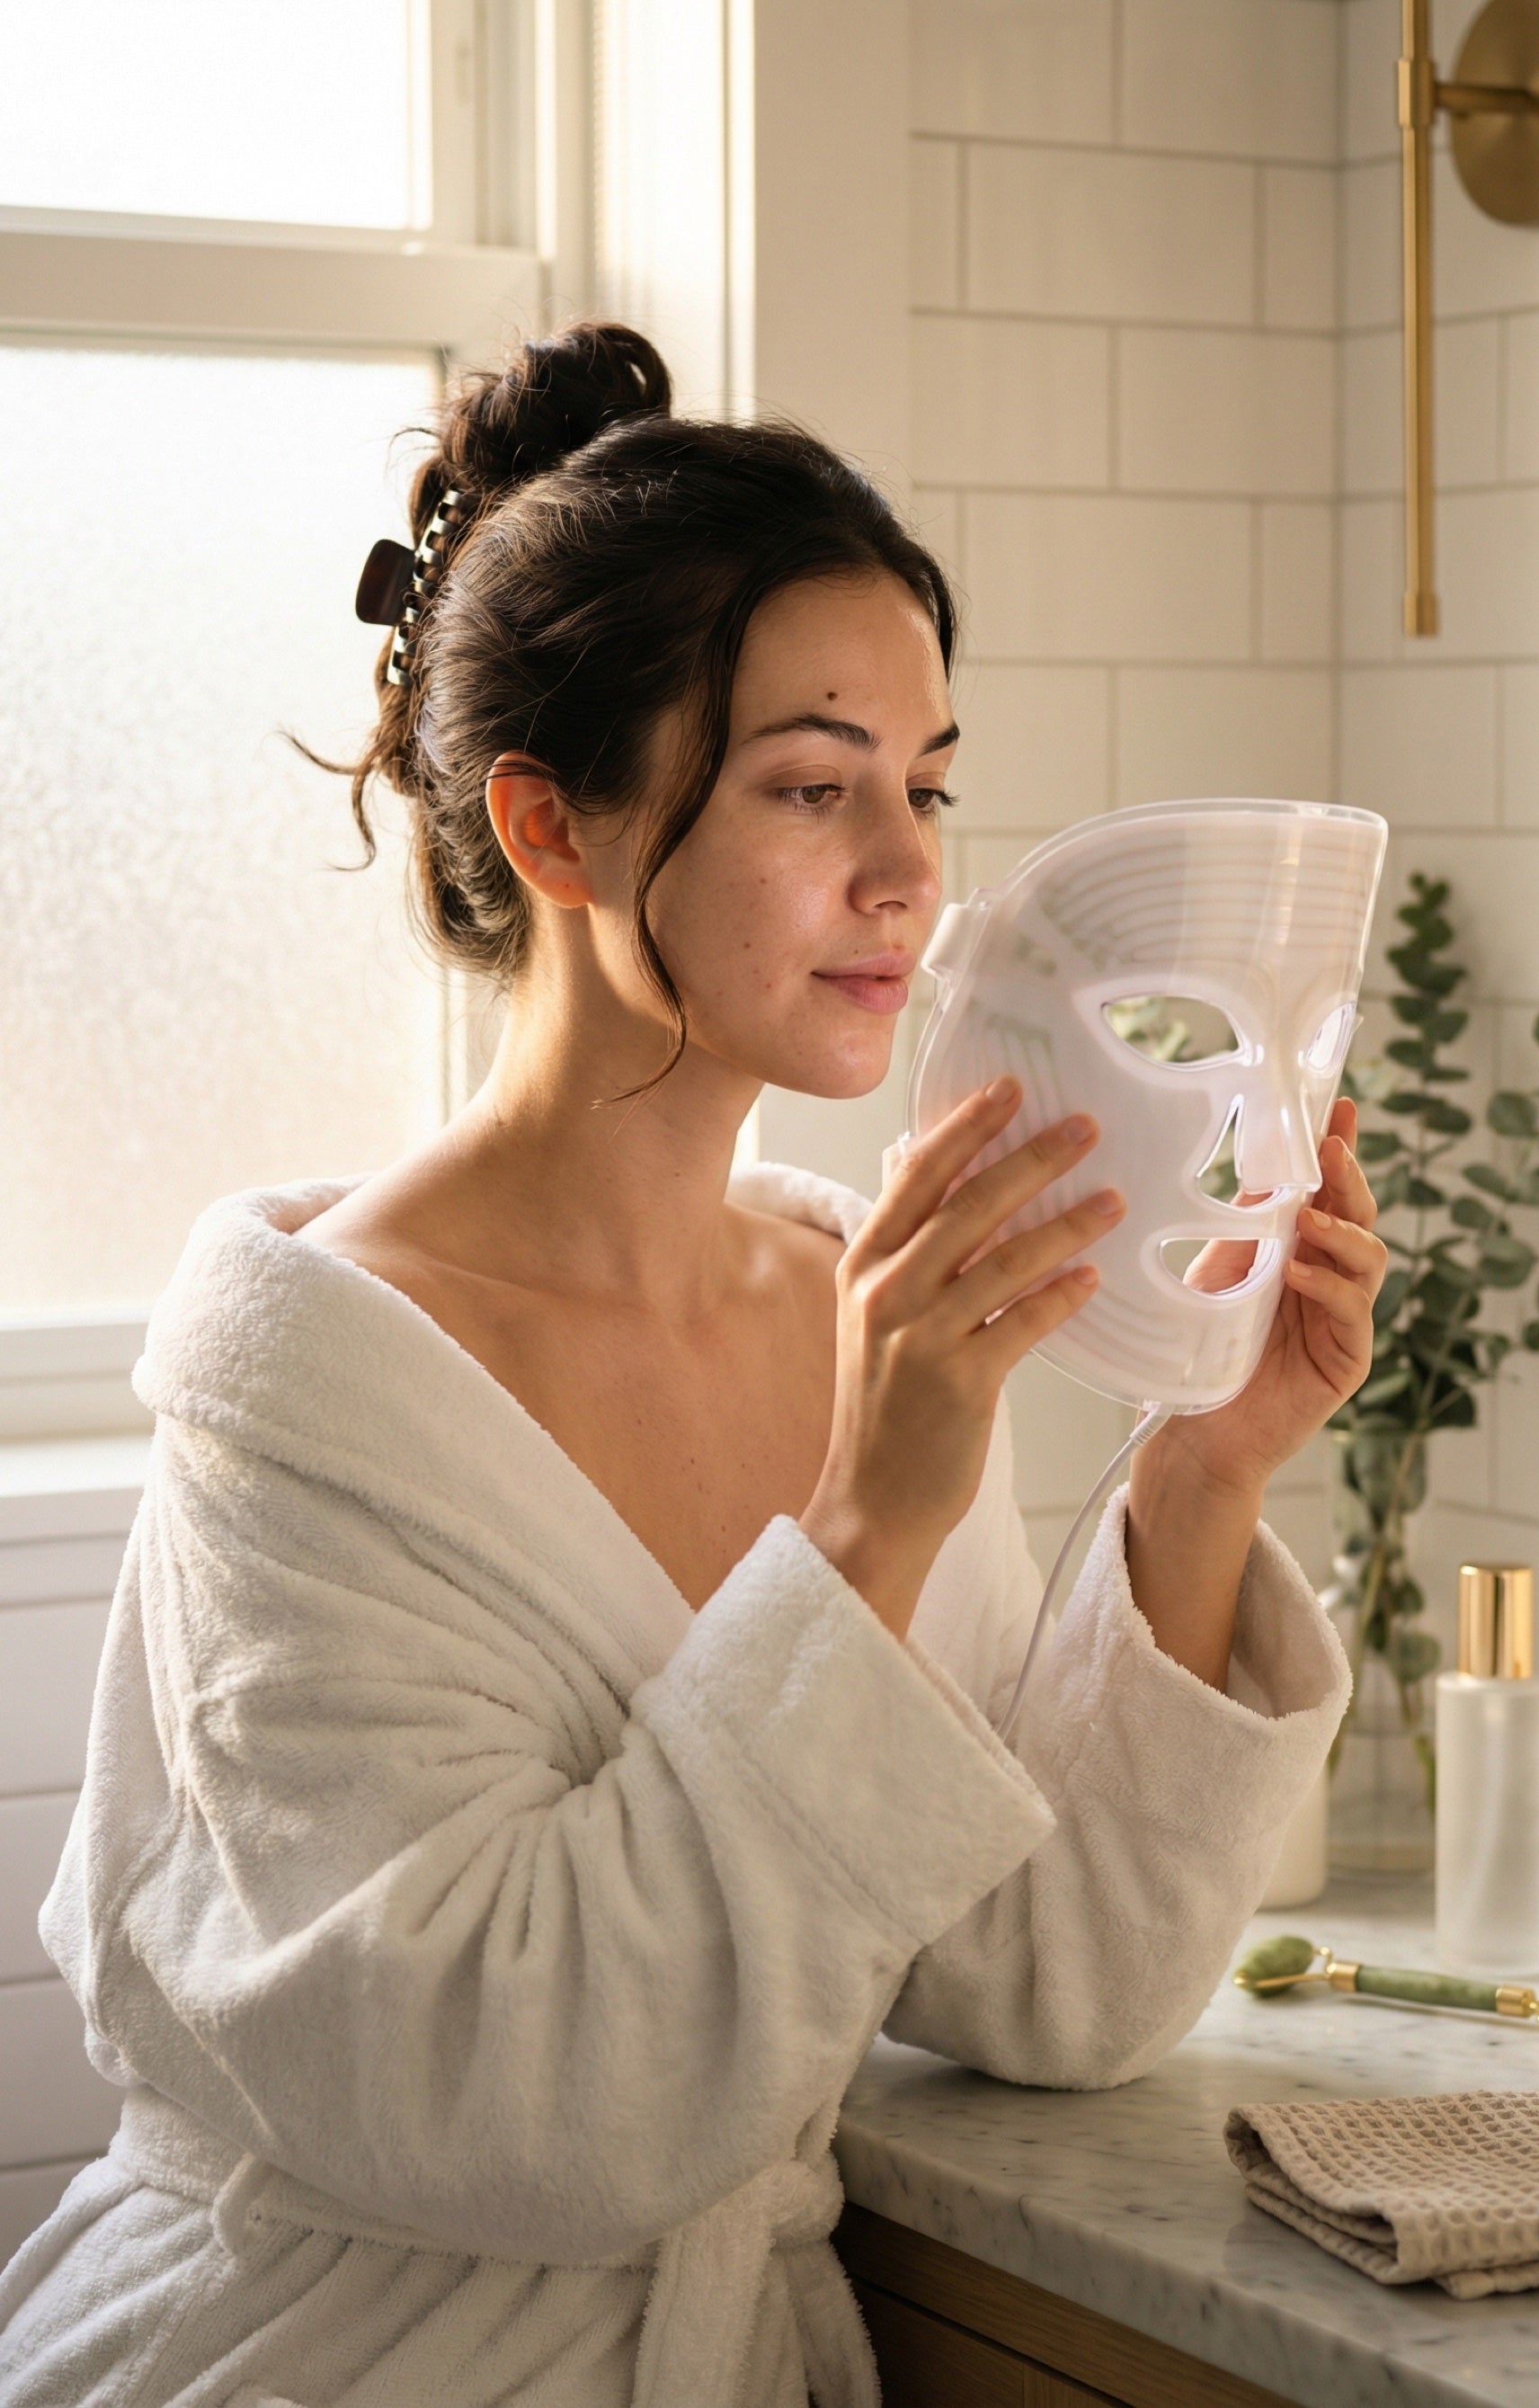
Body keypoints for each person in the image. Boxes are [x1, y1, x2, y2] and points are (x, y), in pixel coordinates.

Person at [0, 322, 1382, 2408]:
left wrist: (1203, 1467)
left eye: (925, 784)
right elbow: (514, 2103)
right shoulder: (313, 1405)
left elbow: (1041, 1979)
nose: (908, 871)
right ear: (552, 830)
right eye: (814, 787)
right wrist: (867, 1524)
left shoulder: (855, 1310)